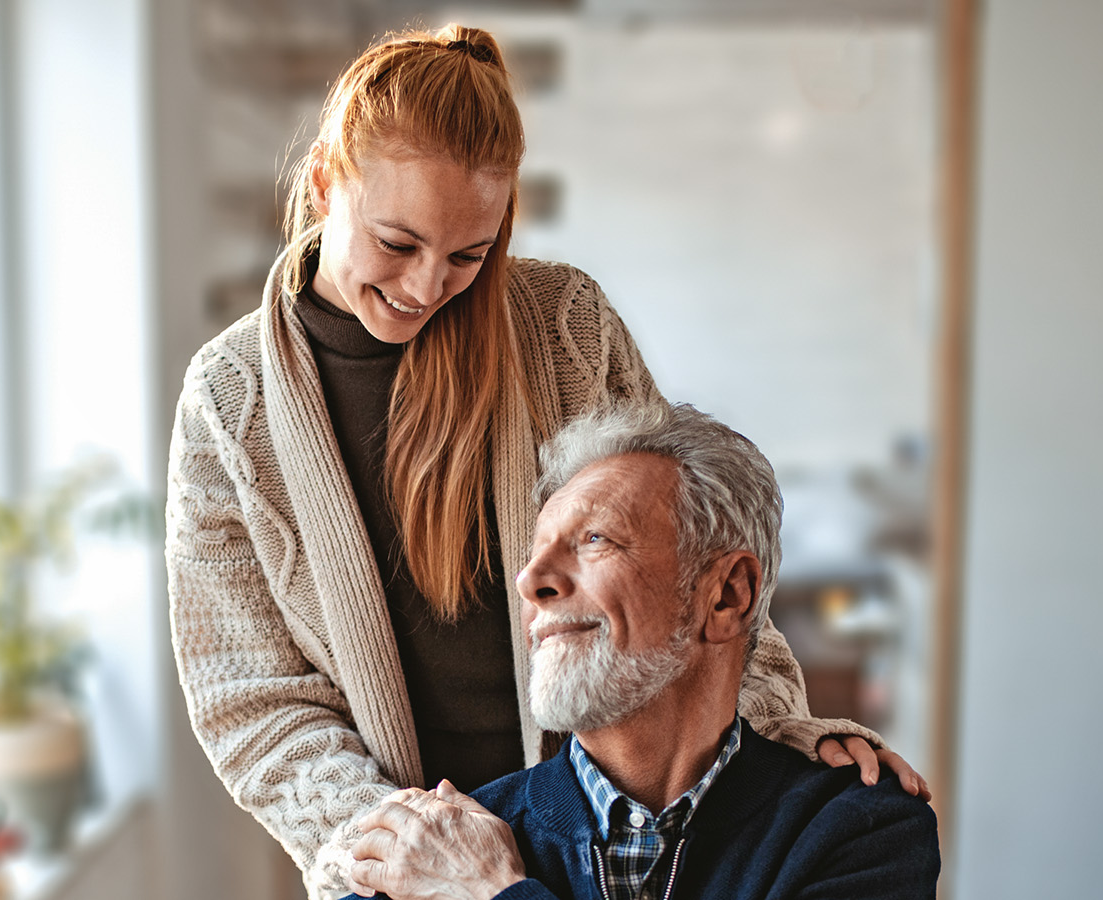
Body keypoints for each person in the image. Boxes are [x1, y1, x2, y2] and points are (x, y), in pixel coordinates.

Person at [165, 24, 926, 898]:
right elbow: (248, 698)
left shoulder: (563, 324)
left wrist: (776, 730)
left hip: (618, 829)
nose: (425, 288)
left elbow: (680, 542)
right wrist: (411, 847)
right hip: (406, 866)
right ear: (327, 181)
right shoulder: (227, 405)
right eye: (398, 245)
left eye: (468, 255)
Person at [345, 403, 940, 900]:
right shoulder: (436, 847)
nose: (531, 582)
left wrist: (496, 894)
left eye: (594, 540)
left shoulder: (858, 829)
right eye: (534, 554)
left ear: (727, 596)